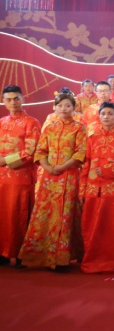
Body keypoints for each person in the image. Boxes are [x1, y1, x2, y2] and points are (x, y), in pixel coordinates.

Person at [19, 93, 86, 270]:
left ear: (74, 108)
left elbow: (81, 153)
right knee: (44, 212)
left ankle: (61, 258)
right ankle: (39, 254)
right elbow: (40, 151)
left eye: (68, 105)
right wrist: (48, 167)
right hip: (49, 177)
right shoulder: (49, 128)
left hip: (69, 175)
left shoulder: (79, 128)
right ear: (54, 107)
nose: (64, 109)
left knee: (66, 212)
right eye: (60, 105)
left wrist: (62, 166)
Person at [79, 102, 114, 273]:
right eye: (103, 113)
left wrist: (108, 170)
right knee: (91, 226)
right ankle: (93, 260)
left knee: (113, 227)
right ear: (99, 115)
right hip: (92, 189)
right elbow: (86, 165)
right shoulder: (92, 138)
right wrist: (82, 189)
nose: (106, 117)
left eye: (110, 114)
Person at [0, 85, 42, 267]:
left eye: (16, 98)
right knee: (2, 215)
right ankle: (2, 252)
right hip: (1, 177)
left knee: (20, 214)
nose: (13, 102)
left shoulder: (31, 123)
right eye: (8, 99)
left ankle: (21, 254)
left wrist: (5, 160)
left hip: (21, 176)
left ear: (23, 99)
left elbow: (32, 152)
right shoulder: (1, 122)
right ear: (3, 101)